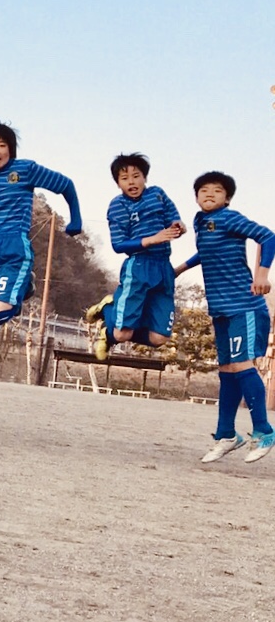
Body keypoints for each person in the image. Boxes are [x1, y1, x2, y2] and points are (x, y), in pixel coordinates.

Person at [173, 172, 275, 464]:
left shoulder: (229, 218)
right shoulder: (200, 222)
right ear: (196, 197)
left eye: (217, 191)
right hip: (220, 309)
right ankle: (226, 435)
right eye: (203, 190)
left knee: (242, 366)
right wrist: (178, 269)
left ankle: (264, 431)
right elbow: (206, 252)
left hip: (244, 305)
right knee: (227, 370)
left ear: (227, 198)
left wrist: (262, 274)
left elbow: (268, 236)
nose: (209, 194)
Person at [0, 121, 82, 327]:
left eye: (2, 145)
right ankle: (1, 291)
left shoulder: (25, 169)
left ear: (11, 150)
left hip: (12, 247)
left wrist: (76, 218)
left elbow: (65, 185)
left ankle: (23, 285)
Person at [83, 153, 185, 360]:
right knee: (122, 334)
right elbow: (118, 245)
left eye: (136, 176)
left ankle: (117, 315)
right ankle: (109, 312)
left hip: (163, 267)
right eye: (125, 178)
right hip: (139, 266)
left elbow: (173, 217)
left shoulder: (158, 194)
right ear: (118, 183)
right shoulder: (118, 205)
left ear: (145, 177)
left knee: (160, 338)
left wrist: (178, 226)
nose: (131, 182)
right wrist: (151, 240)